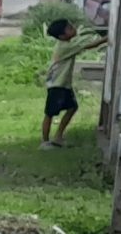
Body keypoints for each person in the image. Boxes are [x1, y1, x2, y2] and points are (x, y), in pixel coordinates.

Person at [40, 17, 106, 148]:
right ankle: (45, 141)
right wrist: (108, 38)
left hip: (63, 84)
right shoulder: (66, 46)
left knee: (72, 107)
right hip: (57, 84)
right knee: (50, 113)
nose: (73, 28)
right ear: (62, 36)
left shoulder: (67, 44)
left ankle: (58, 136)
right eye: (69, 28)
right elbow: (91, 45)